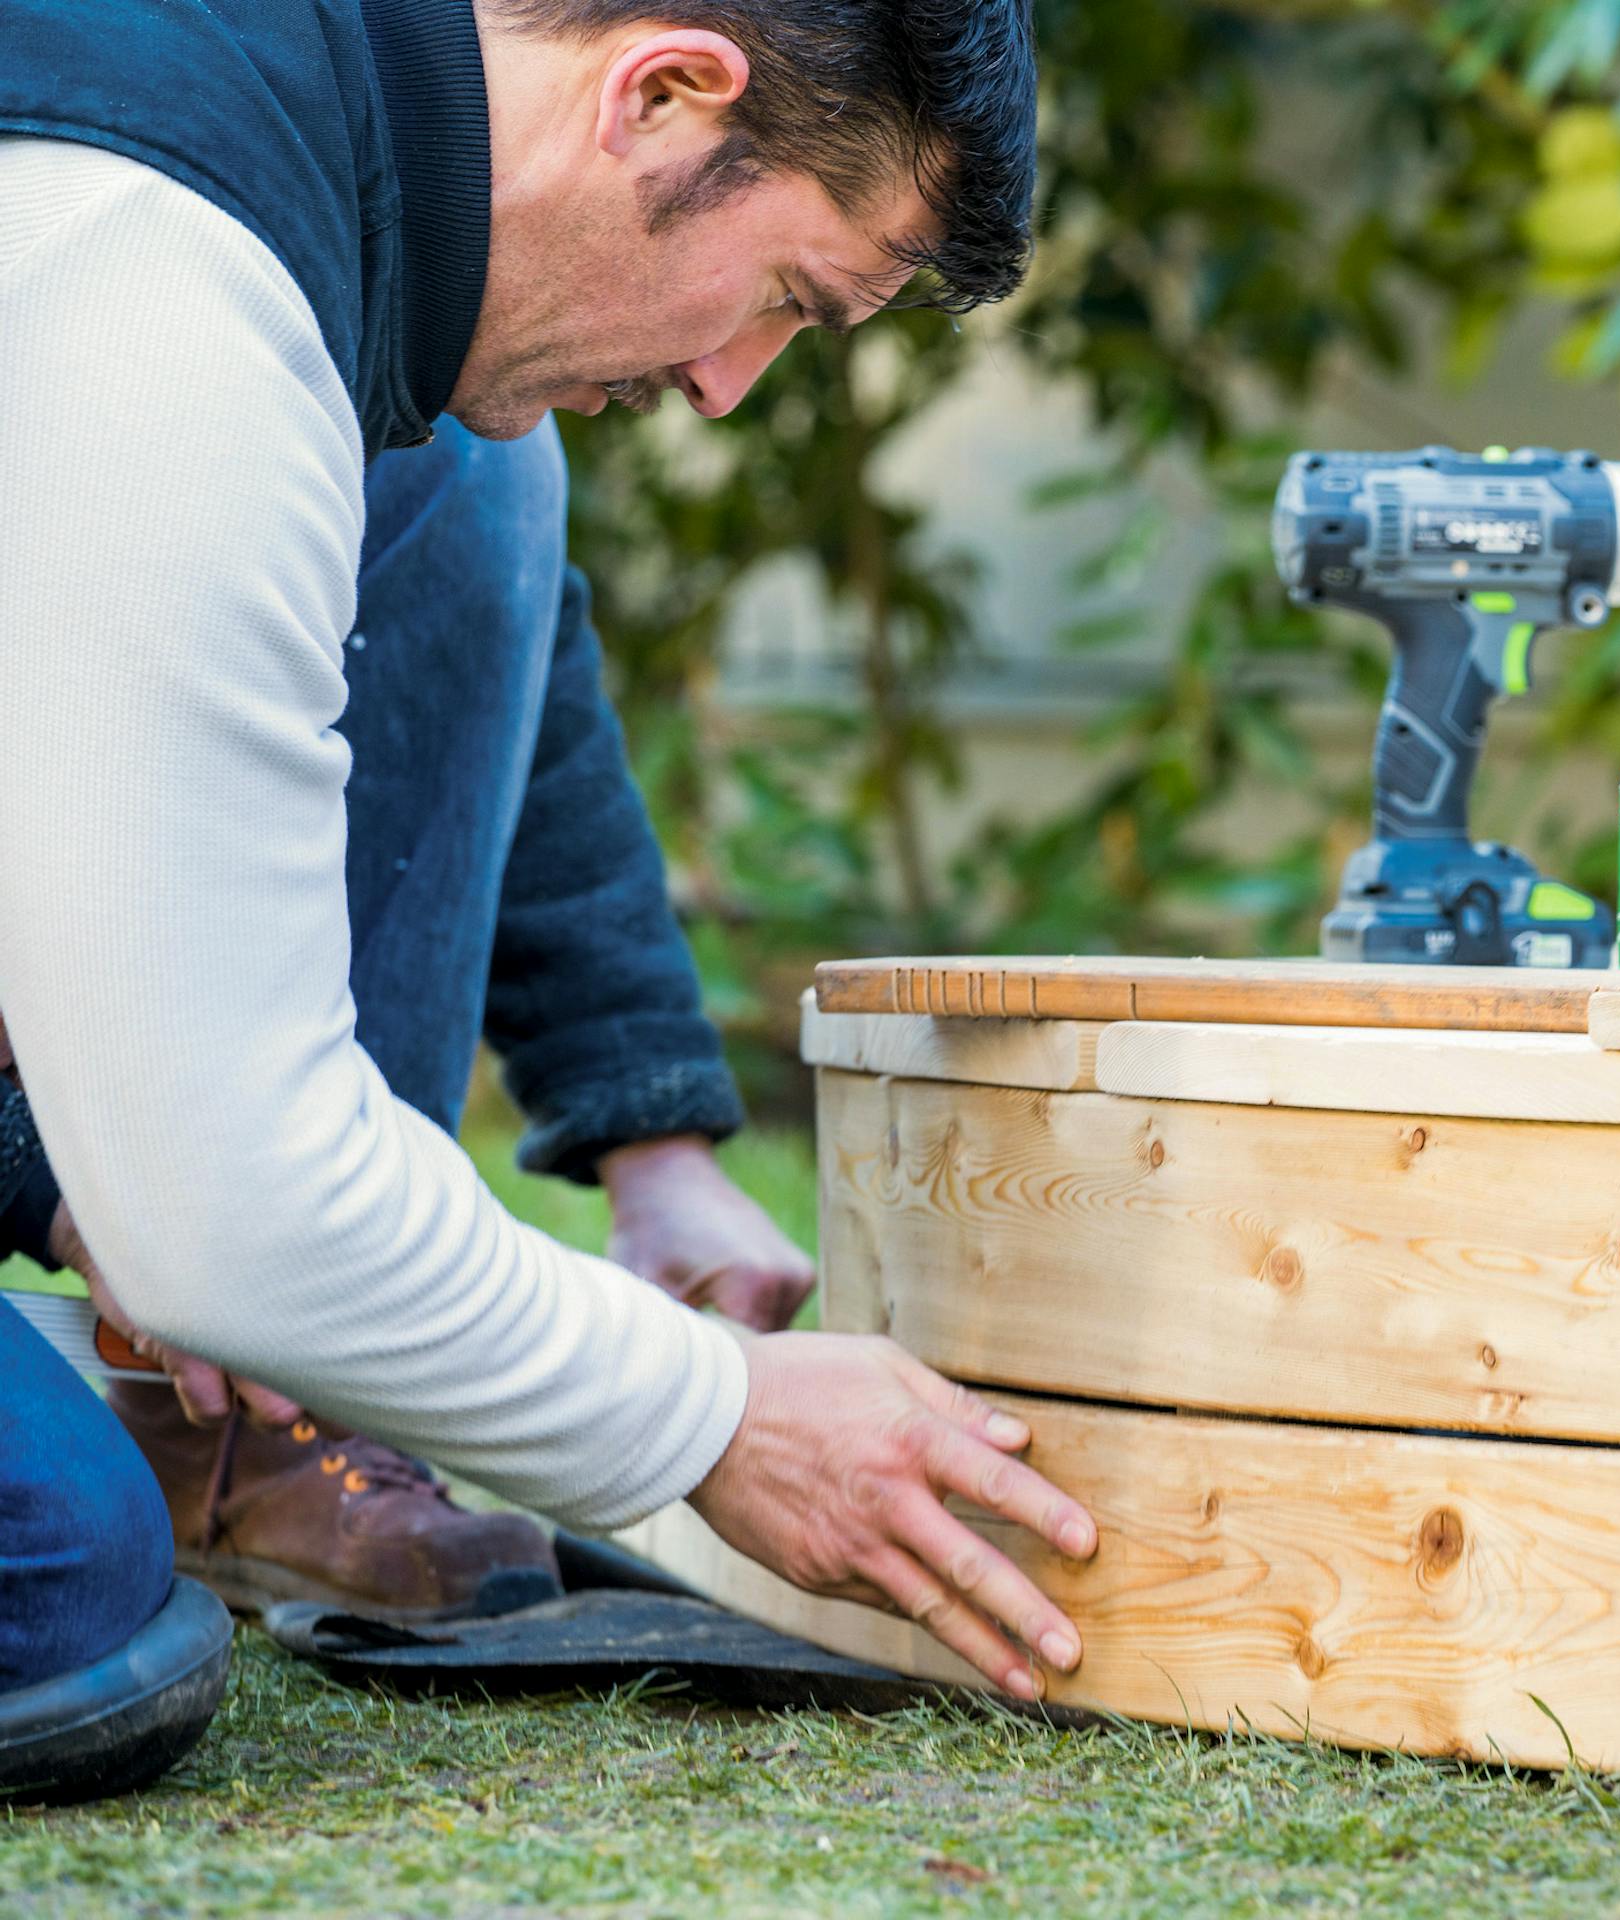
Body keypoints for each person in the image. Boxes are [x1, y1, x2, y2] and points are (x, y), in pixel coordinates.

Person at [0, 0, 1095, 1803]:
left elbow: (467, 637)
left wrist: (655, 1139)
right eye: (794, 303)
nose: (739, 388)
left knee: (468, 463)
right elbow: (232, 1224)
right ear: (664, 94)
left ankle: (295, 1392)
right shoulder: (168, 287)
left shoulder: (343, 126)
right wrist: (714, 1414)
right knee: (56, 1579)